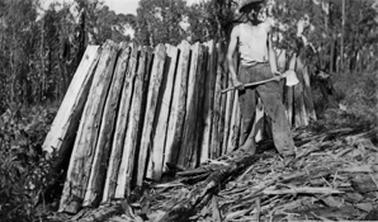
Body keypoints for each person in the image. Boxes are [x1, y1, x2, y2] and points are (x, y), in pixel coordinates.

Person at [227, 0, 296, 158]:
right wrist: (235, 79)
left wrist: (274, 70)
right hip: (246, 72)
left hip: (264, 71)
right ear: (245, 11)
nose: (255, 12)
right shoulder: (238, 29)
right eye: (251, 9)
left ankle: (287, 151)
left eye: (256, 8)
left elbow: (270, 49)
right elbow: (229, 57)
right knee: (248, 115)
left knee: (277, 110)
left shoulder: (266, 27)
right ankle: (245, 151)